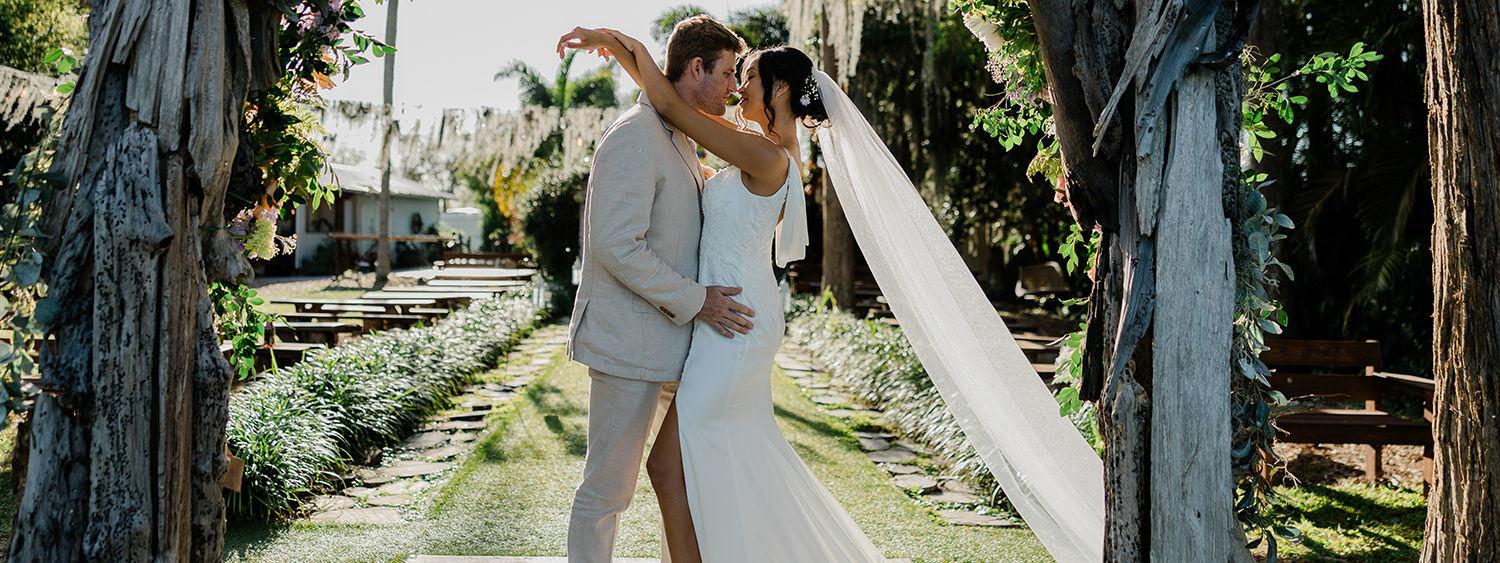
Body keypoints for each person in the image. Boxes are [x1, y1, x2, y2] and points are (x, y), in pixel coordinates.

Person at [559, 24, 886, 562]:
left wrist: (622, 45)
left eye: (746, 76)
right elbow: (669, 104)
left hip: (733, 320)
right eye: (734, 73)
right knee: (694, 467)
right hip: (713, 321)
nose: (737, 88)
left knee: (671, 467)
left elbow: (672, 102)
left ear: (780, 90)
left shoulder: (765, 155)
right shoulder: (738, 146)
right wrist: (625, 54)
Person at [562, 16, 753, 563]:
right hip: (629, 346)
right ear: (696, 67)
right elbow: (616, 245)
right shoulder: (635, 135)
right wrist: (699, 300)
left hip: (680, 348)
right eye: (727, 73)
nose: (734, 87)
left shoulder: (682, 137)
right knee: (607, 491)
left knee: (682, 486)